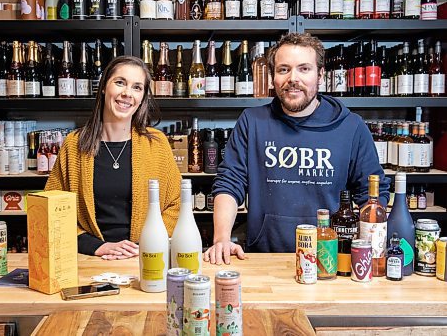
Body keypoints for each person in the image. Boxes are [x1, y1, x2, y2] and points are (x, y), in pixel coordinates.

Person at [204, 33, 390, 264]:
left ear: (320, 75)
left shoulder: (351, 127)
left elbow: (372, 195)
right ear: (272, 77)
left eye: (304, 69)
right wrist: (221, 238)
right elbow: (230, 183)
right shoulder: (252, 121)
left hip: (328, 259)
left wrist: (369, 251)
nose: (293, 78)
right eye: (283, 69)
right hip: (264, 258)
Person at [45, 56, 181, 260]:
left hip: (144, 258)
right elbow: (51, 209)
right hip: (87, 259)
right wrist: (97, 247)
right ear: (103, 87)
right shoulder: (74, 144)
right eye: (120, 83)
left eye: (137, 87)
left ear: (143, 97)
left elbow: (177, 205)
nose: (127, 93)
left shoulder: (157, 144)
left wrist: (146, 243)